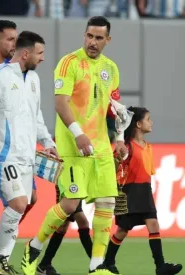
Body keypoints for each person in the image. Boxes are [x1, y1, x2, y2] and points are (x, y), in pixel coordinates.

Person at [21, 16, 128, 275]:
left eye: (99, 38)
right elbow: (61, 103)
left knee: (106, 203)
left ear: (107, 40)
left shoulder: (110, 69)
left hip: (101, 146)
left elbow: (115, 108)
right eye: (89, 36)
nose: (92, 42)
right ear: (84, 35)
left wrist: (121, 139)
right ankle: (33, 249)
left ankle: (96, 265)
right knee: (70, 204)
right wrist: (78, 134)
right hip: (72, 145)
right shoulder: (69, 63)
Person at [0, 31, 57, 275]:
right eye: (40, 53)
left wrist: (47, 142)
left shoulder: (34, 80)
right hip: (3, 156)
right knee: (17, 204)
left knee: (23, 205)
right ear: (25, 53)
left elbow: (36, 117)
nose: (43, 58)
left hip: (26, 157)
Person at [104, 107, 182, 275]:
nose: (151, 122)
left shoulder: (148, 147)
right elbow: (112, 168)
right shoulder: (126, 146)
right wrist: (118, 158)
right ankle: (108, 262)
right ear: (138, 124)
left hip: (144, 190)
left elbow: (146, 172)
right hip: (128, 191)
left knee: (153, 224)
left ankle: (160, 266)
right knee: (122, 230)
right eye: (148, 119)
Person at [36, 187, 93, 275]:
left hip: (76, 186)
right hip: (69, 186)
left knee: (65, 225)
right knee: (81, 223)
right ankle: (97, 265)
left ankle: (44, 264)